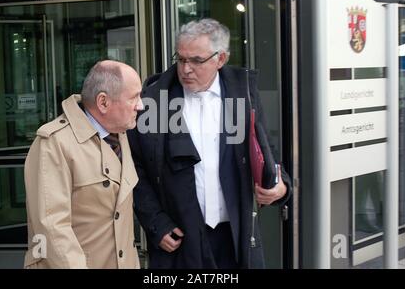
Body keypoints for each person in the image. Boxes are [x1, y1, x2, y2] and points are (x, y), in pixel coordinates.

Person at [128, 18, 291, 269]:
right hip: (179, 240)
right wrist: (155, 223)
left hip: (235, 238)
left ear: (221, 59)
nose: (185, 69)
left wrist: (282, 187)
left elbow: (267, 149)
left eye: (196, 60)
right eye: (180, 59)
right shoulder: (153, 100)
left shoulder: (243, 92)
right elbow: (134, 167)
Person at [24, 60, 143, 269]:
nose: (140, 105)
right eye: (134, 97)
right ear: (103, 102)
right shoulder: (53, 143)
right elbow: (52, 229)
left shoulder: (119, 133)